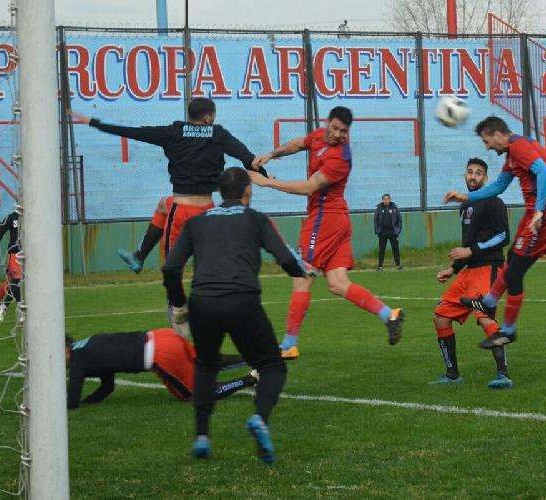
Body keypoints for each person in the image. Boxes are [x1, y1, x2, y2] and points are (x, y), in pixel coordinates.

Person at [69, 98, 267, 338]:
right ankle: (140, 258)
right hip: (208, 212)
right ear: (208, 117)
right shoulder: (218, 134)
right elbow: (247, 157)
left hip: (182, 212)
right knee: (166, 208)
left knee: (172, 272)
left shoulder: (173, 132)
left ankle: (180, 322)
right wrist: (265, 175)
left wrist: (93, 121)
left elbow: (133, 131)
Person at [162, 167, 310, 464]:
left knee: (206, 366)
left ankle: (202, 436)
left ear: (219, 193)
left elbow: (170, 268)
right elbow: (284, 257)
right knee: (272, 365)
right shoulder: (256, 219)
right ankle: (260, 419)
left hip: (203, 301)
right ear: (248, 192)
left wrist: (179, 304)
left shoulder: (197, 222)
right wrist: (300, 271)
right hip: (242, 299)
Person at [249, 106, 406, 360]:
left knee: (302, 277)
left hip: (325, 219)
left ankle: (289, 344)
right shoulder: (319, 135)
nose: (338, 134)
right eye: (335, 128)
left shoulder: (340, 158)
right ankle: (389, 315)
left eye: (344, 131)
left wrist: (267, 182)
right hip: (337, 220)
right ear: (327, 123)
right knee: (337, 284)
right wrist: (272, 154)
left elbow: (309, 188)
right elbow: (300, 143)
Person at [443, 116, 546, 351]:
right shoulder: (513, 154)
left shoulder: (518, 146)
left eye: (487, 141)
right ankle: (488, 302)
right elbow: (499, 186)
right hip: (535, 213)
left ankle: (508, 330)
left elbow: (543, 173)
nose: (487, 147)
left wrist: (540, 211)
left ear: (498, 135)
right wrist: (466, 196)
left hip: (545, 213)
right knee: (512, 259)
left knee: (515, 272)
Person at [431, 158, 513, 389]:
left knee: (484, 317)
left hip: (489, 268)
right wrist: (452, 269)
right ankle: (452, 374)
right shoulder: (465, 206)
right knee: (440, 317)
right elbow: (467, 243)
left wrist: (471, 250)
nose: (473, 176)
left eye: (479, 173)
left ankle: (503, 375)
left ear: (486, 178)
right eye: (470, 172)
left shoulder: (493, 202)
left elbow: (503, 237)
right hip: (468, 271)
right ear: (465, 175)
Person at [65, 329, 257, 410]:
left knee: (194, 394)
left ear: (66, 350)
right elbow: (108, 387)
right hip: (163, 336)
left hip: (161, 354)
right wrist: (90, 401)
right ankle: (254, 358)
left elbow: (71, 403)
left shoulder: (78, 360)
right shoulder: (86, 345)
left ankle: (250, 379)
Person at [0, 210, 20, 322]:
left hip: (29, 256)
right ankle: (21, 312)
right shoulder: (12, 217)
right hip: (15, 255)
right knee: (17, 282)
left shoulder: (32, 216)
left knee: (13, 284)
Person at [373, 193, 402, 271]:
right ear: (382, 200)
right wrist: (377, 231)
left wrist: (398, 231)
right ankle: (380, 266)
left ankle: (398, 266)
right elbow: (376, 220)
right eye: (384, 199)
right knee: (381, 250)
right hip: (382, 232)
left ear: (390, 199)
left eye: (387, 199)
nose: (386, 200)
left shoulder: (395, 208)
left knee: (395, 249)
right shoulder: (379, 208)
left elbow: (399, 220)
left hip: (393, 232)